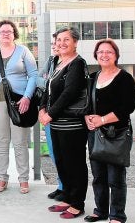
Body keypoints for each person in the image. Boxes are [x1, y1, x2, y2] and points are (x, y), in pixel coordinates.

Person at [0, 20, 38, 194]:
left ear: (14, 34)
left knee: (20, 141)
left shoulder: (23, 51)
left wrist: (27, 97)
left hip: (20, 102)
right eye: (2, 31)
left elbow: (34, 75)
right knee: (1, 142)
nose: (6, 34)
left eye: (9, 31)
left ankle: (23, 179)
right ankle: (2, 178)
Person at [39, 27, 89, 219]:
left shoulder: (77, 63)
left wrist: (49, 114)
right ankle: (67, 197)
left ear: (75, 42)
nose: (61, 43)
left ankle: (77, 203)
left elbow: (70, 93)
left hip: (72, 124)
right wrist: (41, 109)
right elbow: (47, 89)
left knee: (75, 163)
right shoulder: (58, 62)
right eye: (59, 40)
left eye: (66, 40)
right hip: (56, 123)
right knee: (62, 162)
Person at [84, 39, 135, 223]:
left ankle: (117, 215)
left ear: (116, 55)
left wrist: (102, 120)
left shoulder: (125, 78)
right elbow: (86, 104)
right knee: (98, 177)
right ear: (96, 55)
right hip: (95, 135)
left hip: (117, 134)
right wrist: (88, 118)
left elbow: (127, 108)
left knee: (116, 177)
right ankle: (101, 211)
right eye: (101, 52)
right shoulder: (92, 77)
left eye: (109, 52)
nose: (104, 55)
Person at [38, 33, 64, 201]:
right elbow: (40, 80)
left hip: (64, 117)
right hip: (48, 115)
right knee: (54, 152)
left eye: (59, 42)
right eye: (53, 43)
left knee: (66, 154)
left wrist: (48, 83)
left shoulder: (74, 64)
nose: (55, 46)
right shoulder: (51, 61)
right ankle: (62, 185)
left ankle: (69, 187)